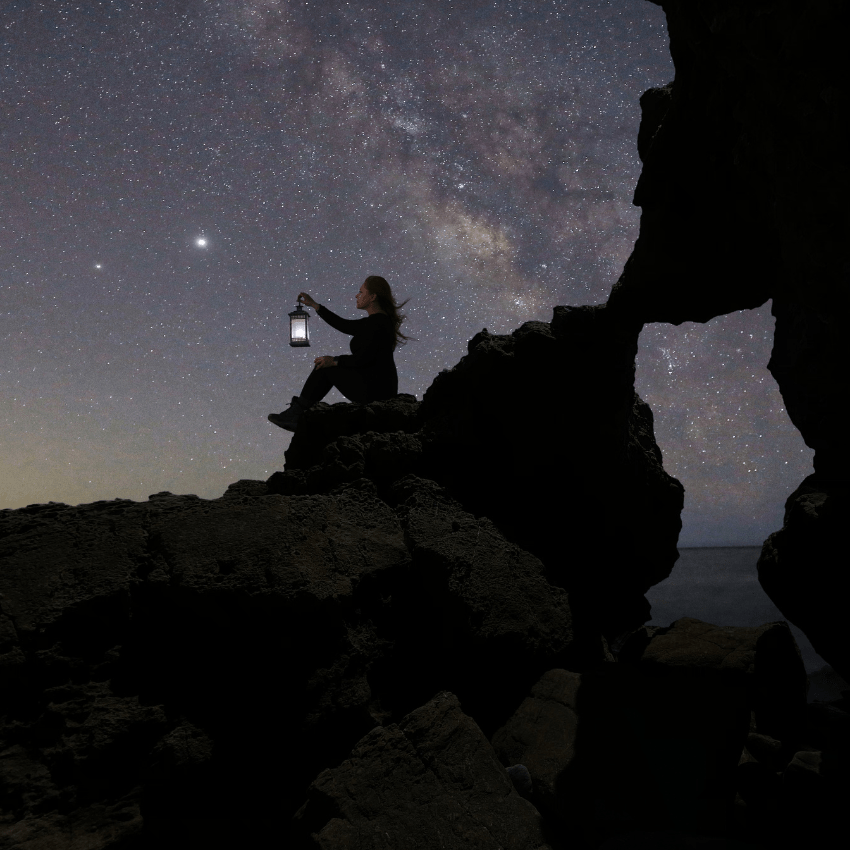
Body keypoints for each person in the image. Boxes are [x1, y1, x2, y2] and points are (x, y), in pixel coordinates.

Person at [268, 275, 412, 432]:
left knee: (325, 368)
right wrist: (315, 306)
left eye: (361, 292)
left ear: (372, 297)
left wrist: (335, 361)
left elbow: (364, 358)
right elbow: (343, 325)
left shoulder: (378, 323)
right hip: (378, 386)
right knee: (326, 365)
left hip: (375, 391)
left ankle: (296, 414)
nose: (357, 295)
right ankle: (297, 413)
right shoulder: (375, 322)